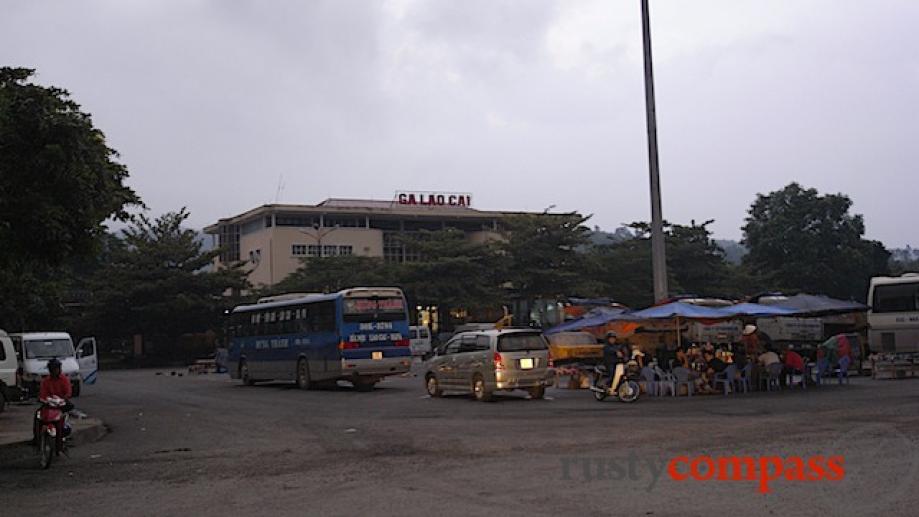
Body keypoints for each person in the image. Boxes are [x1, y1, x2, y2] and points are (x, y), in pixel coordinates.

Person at [33, 358, 74, 448]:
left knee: (63, 419)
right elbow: (42, 394)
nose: (56, 371)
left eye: (57, 368)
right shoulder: (46, 381)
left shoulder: (64, 379)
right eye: (54, 369)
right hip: (49, 404)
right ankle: (37, 439)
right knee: (38, 415)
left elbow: (68, 392)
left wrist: (62, 399)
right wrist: (44, 399)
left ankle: (61, 437)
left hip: (61, 404)